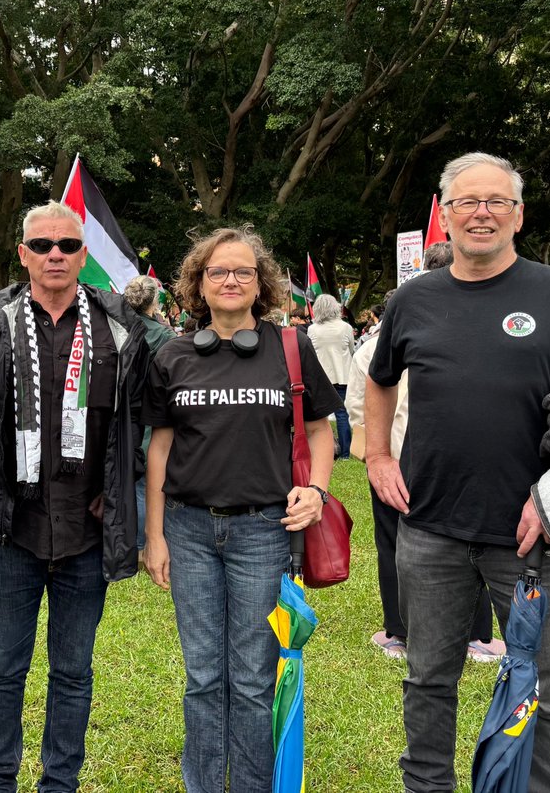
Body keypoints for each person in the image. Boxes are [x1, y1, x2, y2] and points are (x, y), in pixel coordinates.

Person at [365, 152, 550, 793]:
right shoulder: (413, 299)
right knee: (428, 679)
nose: (480, 212)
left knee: (545, 689)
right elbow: (378, 382)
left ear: (518, 215)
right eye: (466, 202)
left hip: (534, 536)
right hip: (429, 527)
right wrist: (376, 455)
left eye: (496, 202)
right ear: (446, 216)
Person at [0, 201, 148, 792]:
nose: (54, 254)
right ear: (23, 255)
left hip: (87, 530)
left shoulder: (118, 325)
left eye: (66, 245)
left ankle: (60, 782)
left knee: (74, 671)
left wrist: (114, 486)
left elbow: (141, 420)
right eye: (42, 245)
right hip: (13, 526)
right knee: (3, 669)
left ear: (83, 255)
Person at [142, 225, 340, 792]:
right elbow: (159, 449)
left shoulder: (291, 348)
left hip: (263, 531)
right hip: (188, 530)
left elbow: (321, 431)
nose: (230, 280)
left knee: (253, 679)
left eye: (243, 272)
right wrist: (154, 536)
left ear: (261, 285)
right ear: (198, 285)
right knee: (204, 677)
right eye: (217, 272)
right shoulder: (174, 354)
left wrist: (318, 490)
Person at [349, 243, 505, 663]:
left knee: (396, 546)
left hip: (402, 460)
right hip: (432, 463)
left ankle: (399, 632)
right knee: (467, 542)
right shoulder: (466, 337)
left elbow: (355, 412)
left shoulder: (369, 347)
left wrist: (374, 456)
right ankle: (474, 635)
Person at [123, 274, 175, 564]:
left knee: (128, 478)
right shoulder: (164, 336)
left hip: (120, 412)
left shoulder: (116, 327)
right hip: (149, 413)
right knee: (144, 480)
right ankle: (141, 545)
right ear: (153, 300)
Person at [307, 293, 355, 459]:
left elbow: (310, 354)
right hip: (342, 375)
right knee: (342, 415)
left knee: (320, 417)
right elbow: (351, 350)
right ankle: (345, 453)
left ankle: (323, 451)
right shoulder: (346, 328)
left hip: (320, 378)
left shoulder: (312, 329)